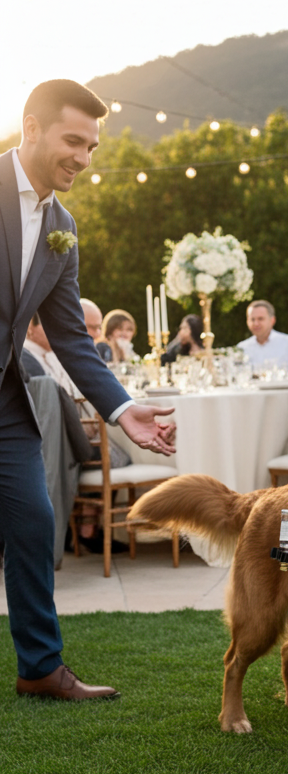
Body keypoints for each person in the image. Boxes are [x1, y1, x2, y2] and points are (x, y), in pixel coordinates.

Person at [0, 78, 176, 701]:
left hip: (8, 401)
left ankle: (40, 668)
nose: (83, 157)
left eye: (92, 147)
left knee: (34, 519)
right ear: (31, 128)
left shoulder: (63, 225)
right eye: (73, 141)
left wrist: (122, 410)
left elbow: (71, 337)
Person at [237, 299, 288, 370]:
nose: (256, 323)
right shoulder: (242, 348)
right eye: (252, 319)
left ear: (272, 320)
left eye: (260, 319)